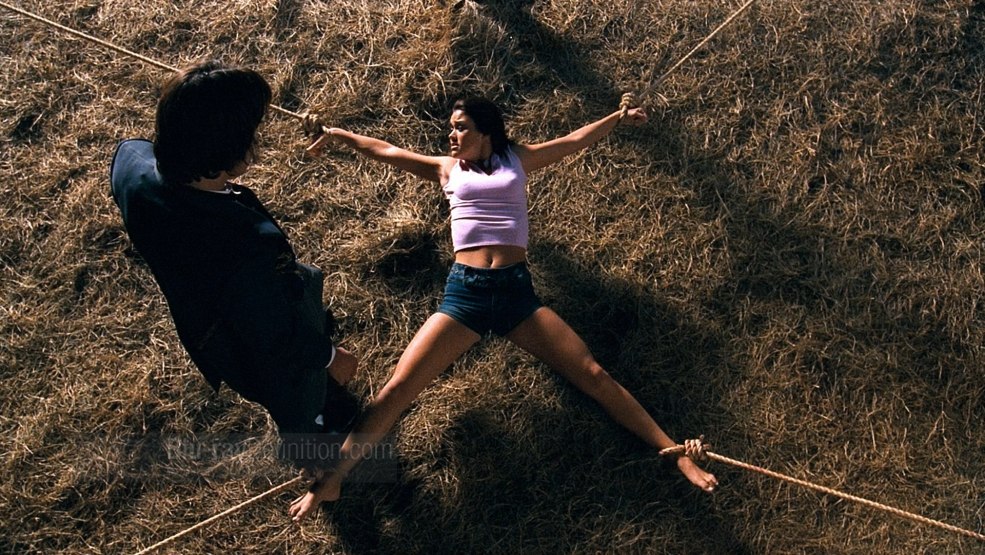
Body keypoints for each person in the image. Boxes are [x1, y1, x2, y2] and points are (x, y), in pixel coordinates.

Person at [289, 96, 717, 522]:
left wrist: (616, 117)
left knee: (592, 375)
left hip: (515, 294)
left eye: (460, 127)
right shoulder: (447, 169)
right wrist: (338, 134)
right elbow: (386, 151)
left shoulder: (517, 159)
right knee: (397, 389)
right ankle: (333, 480)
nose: (451, 135)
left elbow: (574, 140)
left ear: (486, 131)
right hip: (465, 295)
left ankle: (675, 452)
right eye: (451, 127)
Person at [110, 60, 360, 470]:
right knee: (294, 396)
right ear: (226, 150)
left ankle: (322, 401)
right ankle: (314, 443)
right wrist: (331, 356)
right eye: (251, 134)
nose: (256, 141)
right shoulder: (244, 244)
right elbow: (273, 336)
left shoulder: (130, 163)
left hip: (210, 310)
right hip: (247, 335)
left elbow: (134, 151)